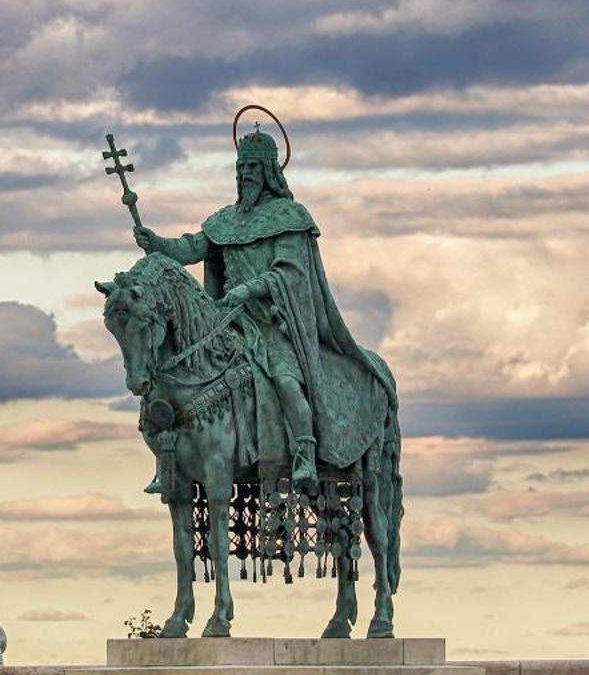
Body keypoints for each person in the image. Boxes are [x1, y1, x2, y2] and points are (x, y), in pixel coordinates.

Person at [132, 125, 395, 490]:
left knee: (287, 383)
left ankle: (304, 456)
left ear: (269, 172)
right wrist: (157, 243)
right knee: (177, 376)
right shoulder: (225, 220)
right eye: (241, 169)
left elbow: (287, 273)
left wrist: (248, 290)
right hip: (226, 323)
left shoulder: (288, 217)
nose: (244, 177)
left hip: (273, 326)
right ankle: (171, 462)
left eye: (252, 170)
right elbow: (191, 248)